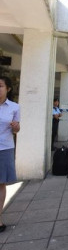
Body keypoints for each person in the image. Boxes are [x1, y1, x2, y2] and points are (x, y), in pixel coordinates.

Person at [0, 76, 20, 233]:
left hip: (5, 148)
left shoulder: (14, 107)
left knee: (1, 183)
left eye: (0, 86)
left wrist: (15, 126)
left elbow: (17, 129)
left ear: (8, 89)